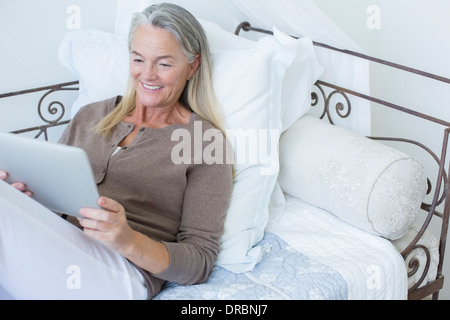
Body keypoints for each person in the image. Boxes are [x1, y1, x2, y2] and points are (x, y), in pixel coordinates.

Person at [0, 3, 233, 300]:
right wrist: (25, 202)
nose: (147, 75)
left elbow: (199, 261)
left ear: (193, 66)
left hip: (121, 272)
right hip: (57, 253)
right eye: (138, 59)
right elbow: (53, 201)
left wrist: (128, 241)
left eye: (163, 63)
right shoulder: (91, 115)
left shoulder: (204, 141)